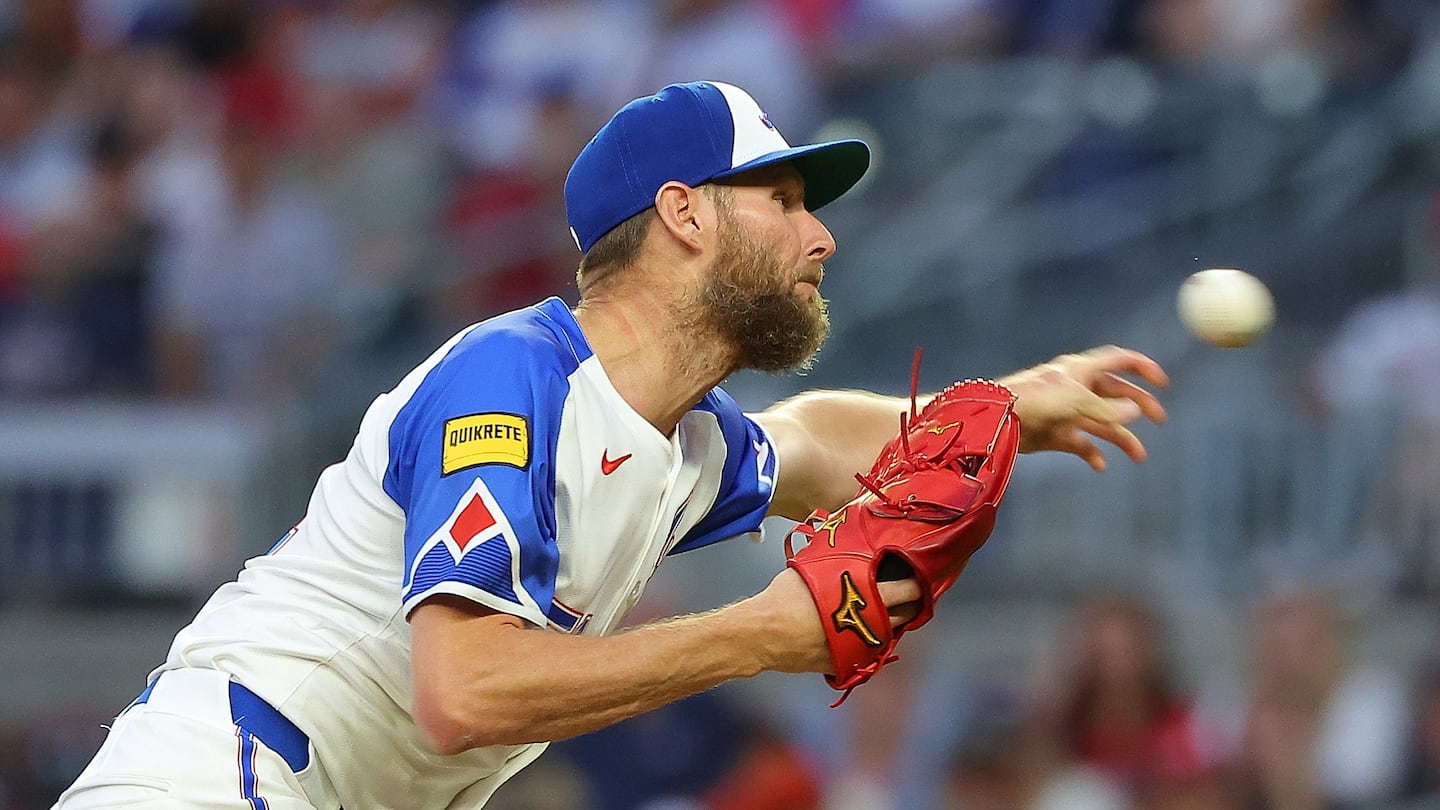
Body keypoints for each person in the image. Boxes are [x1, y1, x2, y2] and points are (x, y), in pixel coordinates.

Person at [52, 80, 1169, 809]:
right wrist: (763, 634)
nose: (820, 233)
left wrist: (1010, 408)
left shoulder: (678, 438)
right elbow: (467, 691)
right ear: (685, 213)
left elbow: (814, 440)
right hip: (217, 777)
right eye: (781, 199)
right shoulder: (514, 378)